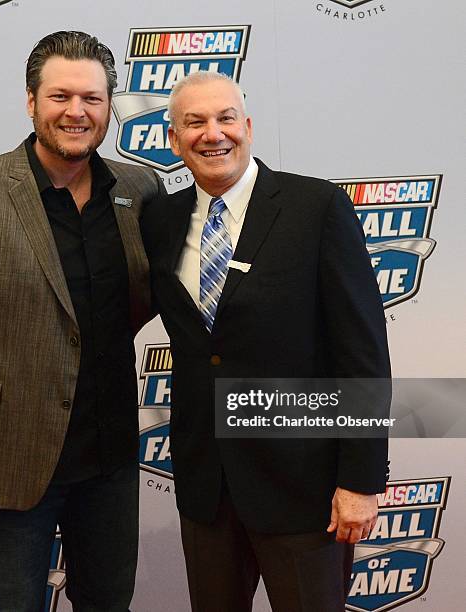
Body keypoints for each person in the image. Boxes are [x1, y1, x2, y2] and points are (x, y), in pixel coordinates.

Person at [0, 31, 164, 612]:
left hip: (112, 461)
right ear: (31, 101)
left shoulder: (141, 189)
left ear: (110, 106)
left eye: (93, 99)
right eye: (60, 96)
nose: (77, 112)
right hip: (8, 466)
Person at [141, 71, 390, 612]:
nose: (213, 134)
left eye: (226, 118)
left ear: (248, 126)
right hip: (207, 487)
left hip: (304, 490)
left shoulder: (316, 208)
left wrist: (361, 480)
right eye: (195, 122)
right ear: (174, 140)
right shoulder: (158, 219)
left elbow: (363, 353)